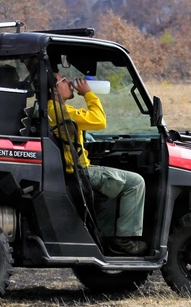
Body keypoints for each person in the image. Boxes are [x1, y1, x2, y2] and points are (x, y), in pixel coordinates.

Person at [48, 73, 147, 255]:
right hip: (79, 172)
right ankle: (124, 240)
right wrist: (88, 94)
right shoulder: (60, 112)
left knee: (113, 187)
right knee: (136, 182)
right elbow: (99, 120)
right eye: (64, 80)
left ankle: (103, 240)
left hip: (73, 170)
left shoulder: (51, 110)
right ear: (53, 90)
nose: (69, 82)